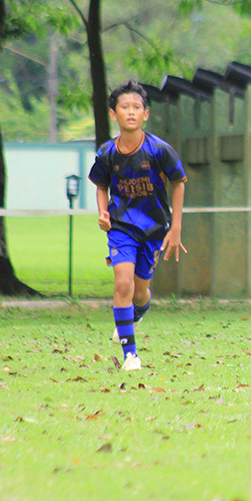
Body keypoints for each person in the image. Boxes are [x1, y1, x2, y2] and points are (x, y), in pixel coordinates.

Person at [88, 80, 187, 372]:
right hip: (121, 227)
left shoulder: (159, 150)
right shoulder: (107, 152)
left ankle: (136, 312)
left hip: (154, 229)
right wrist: (103, 213)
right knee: (122, 283)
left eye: (136, 107)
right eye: (124, 107)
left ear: (145, 114)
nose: (130, 112)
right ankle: (131, 356)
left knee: (140, 292)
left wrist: (176, 227)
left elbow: (179, 182)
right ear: (113, 114)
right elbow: (100, 186)